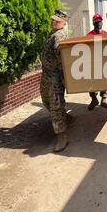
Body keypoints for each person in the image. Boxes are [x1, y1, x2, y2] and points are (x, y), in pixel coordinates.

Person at [40, 10, 72, 152]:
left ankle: (62, 138)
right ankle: (66, 119)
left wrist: (65, 79)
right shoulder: (53, 33)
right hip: (47, 75)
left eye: (57, 21)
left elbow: (63, 59)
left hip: (55, 77)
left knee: (55, 106)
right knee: (46, 101)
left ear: (64, 23)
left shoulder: (60, 36)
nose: (54, 22)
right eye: (53, 20)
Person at [86, 13, 107, 110]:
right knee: (91, 82)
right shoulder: (89, 35)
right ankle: (94, 99)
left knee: (105, 81)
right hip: (93, 62)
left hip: (104, 62)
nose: (98, 24)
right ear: (93, 23)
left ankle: (104, 99)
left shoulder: (105, 34)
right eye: (96, 22)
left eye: (100, 22)